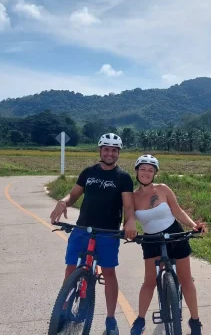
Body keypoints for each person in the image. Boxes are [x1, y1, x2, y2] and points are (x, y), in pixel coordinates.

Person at [50, 133, 137, 335]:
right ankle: (63, 310)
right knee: (70, 269)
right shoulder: (88, 172)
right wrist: (63, 201)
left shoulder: (123, 178)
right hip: (82, 229)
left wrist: (130, 222)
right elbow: (73, 195)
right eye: (106, 149)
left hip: (108, 232)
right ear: (100, 150)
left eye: (114, 150)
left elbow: (128, 207)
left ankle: (110, 319)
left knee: (109, 273)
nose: (110, 153)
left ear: (118, 153)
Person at [129, 154, 207, 335]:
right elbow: (129, 218)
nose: (146, 173)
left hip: (175, 234)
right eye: (143, 169)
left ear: (154, 173)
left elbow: (177, 211)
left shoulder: (163, 189)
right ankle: (140, 320)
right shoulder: (132, 197)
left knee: (186, 279)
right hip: (151, 240)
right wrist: (129, 230)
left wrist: (193, 226)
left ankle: (195, 321)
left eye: (150, 170)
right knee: (149, 282)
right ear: (137, 171)